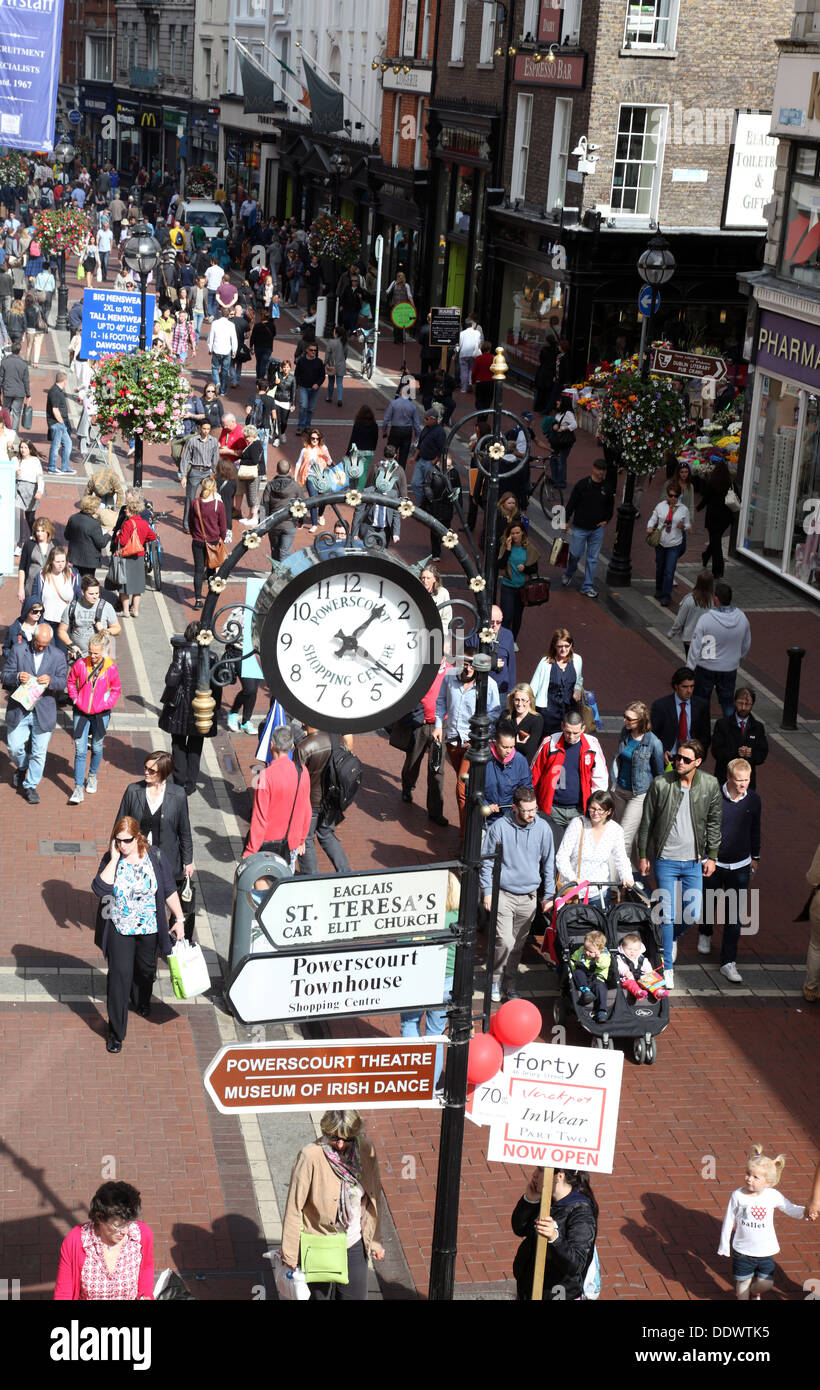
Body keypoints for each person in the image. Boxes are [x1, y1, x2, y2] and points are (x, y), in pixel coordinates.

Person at [91, 817, 185, 1053]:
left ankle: (142, 998)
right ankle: (116, 1032)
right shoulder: (112, 859)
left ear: (137, 837)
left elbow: (168, 890)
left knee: (145, 970)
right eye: (118, 840)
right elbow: (99, 889)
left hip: (149, 928)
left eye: (127, 840)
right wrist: (113, 859)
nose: (122, 845)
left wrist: (180, 919)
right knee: (118, 979)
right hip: (119, 928)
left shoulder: (154, 857)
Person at [637, 737, 722, 988]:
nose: (679, 762)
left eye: (685, 759)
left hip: (694, 860)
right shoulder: (661, 783)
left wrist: (713, 856)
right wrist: (643, 854)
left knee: (692, 912)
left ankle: (667, 939)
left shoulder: (710, 784)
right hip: (666, 859)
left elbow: (715, 822)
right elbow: (647, 822)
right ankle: (667, 968)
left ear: (697, 762)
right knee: (667, 914)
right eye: (676, 757)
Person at [281, 1110, 385, 1299]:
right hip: (319, 1243)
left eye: (347, 1139)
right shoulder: (310, 1156)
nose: (340, 1144)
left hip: (353, 1244)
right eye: (334, 1138)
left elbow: (373, 1197)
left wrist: (375, 1241)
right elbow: (295, 1206)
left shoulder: (366, 1151)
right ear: (325, 1131)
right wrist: (290, 1254)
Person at [480, 785, 555, 1001]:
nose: (532, 814)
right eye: (527, 810)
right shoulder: (500, 828)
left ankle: (509, 984)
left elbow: (549, 863)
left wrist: (548, 894)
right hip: (504, 893)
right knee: (504, 940)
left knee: (518, 945)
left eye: (535, 809)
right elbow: (486, 862)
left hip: (530, 896)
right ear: (515, 808)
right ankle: (495, 980)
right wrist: (487, 891)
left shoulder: (543, 828)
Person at [695, 757, 761, 982]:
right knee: (709, 902)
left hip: (740, 865)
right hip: (715, 863)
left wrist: (756, 856)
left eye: (747, 779)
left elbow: (756, 829)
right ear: (729, 778)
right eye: (740, 780)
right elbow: (702, 827)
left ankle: (728, 961)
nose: (744, 784)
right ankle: (705, 931)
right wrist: (705, 857)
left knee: (734, 916)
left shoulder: (754, 800)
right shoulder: (714, 797)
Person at [718, 1147, 804, 1300]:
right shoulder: (738, 1195)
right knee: (742, 1284)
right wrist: (724, 1244)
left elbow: (790, 1208)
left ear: (768, 1182)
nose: (749, 1179)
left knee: (766, 1284)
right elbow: (729, 1219)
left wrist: (807, 1212)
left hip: (765, 1251)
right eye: (747, 1174)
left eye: (755, 1177)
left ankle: (754, 1290)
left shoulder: (772, 1196)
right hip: (743, 1250)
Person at [434, 648, 501, 834]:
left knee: (461, 789)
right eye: (465, 663)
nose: (468, 667)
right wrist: (439, 725)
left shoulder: (489, 684)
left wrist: (479, 734)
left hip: (473, 744)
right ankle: (474, 825)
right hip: (453, 742)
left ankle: (465, 838)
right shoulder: (450, 676)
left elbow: (494, 712)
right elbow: (440, 702)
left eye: (471, 664)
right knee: (466, 786)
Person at [116, 751, 194, 909]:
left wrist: (188, 861)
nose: (146, 772)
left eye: (152, 771)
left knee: (163, 900)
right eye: (145, 768)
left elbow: (184, 830)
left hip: (165, 859)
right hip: (136, 856)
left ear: (164, 773)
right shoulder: (133, 791)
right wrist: (115, 854)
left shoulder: (178, 795)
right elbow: (119, 825)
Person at [54, 1182, 154, 1300]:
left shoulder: (142, 1234)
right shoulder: (75, 1240)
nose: (125, 1231)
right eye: (118, 1226)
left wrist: (146, 1295)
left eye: (129, 1223)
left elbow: (146, 1268)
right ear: (100, 1217)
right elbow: (64, 1293)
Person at [511, 1167, 598, 1302]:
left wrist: (555, 1238)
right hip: (529, 1288)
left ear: (560, 1175)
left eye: (541, 1170)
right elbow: (519, 1229)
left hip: (558, 1293)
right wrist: (530, 1201)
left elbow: (576, 1263)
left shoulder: (581, 1213)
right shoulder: (546, 1199)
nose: (534, 1175)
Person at [3, 621, 66, 802]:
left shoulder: (57, 655)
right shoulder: (18, 650)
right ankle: (22, 766)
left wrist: (51, 680)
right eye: (38, 643)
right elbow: (5, 674)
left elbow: (62, 681)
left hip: (43, 710)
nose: (40, 648)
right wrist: (16, 676)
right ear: (33, 638)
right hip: (20, 709)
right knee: (14, 748)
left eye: (44, 646)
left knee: (39, 752)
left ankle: (30, 786)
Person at [158, 621, 222, 795]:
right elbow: (217, 685)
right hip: (202, 706)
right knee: (196, 744)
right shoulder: (213, 656)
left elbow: (171, 680)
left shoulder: (181, 653)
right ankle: (191, 783)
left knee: (178, 743)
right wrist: (216, 706)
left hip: (180, 706)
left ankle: (179, 780)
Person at [530, 709, 608, 851]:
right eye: (567, 732)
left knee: (577, 853)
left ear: (583, 729)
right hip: (552, 810)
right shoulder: (549, 743)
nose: (571, 737)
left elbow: (600, 779)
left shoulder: (592, 745)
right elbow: (534, 775)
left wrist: (596, 806)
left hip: (579, 811)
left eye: (575, 733)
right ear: (562, 726)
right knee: (552, 852)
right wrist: (532, 803)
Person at [556, 789, 634, 910]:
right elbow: (562, 856)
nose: (595, 813)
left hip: (599, 891)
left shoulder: (615, 830)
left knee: (598, 927)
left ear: (609, 811)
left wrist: (627, 876)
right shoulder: (577, 824)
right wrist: (573, 878)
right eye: (592, 808)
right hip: (575, 891)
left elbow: (621, 858)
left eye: (600, 810)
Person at [66, 633, 121, 803]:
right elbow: (71, 681)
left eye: (96, 653)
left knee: (97, 747)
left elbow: (116, 689)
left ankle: (92, 776)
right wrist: (75, 699)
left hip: (101, 714)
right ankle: (77, 789)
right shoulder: (81, 664)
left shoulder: (110, 667)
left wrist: (107, 703)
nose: (93, 656)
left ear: (104, 651)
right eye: (91, 652)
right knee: (80, 751)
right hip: (81, 713)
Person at [244, 724, 312, 860]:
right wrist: (301, 839)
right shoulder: (303, 771)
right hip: (291, 843)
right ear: (292, 746)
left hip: (268, 844)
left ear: (272, 745)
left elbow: (259, 817)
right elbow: (306, 809)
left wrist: (250, 850)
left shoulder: (264, 776)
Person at [610, 701, 665, 862]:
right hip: (619, 790)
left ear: (641, 720)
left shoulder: (654, 742)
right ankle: (634, 869)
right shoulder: (625, 733)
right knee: (621, 832)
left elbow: (659, 773)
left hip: (639, 794)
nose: (625, 721)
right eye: (624, 717)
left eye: (629, 719)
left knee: (623, 837)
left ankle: (620, 881)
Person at [398, 658, 450, 826]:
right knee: (412, 761)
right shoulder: (422, 669)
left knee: (437, 770)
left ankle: (435, 811)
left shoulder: (451, 672)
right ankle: (407, 788)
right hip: (421, 725)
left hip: (440, 728)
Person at [296, 726, 353, 875]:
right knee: (326, 834)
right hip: (331, 800)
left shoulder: (304, 746)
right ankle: (345, 872)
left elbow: (296, 779)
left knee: (306, 840)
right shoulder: (338, 740)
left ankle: (311, 877)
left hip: (310, 802)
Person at [689, 582, 751, 718]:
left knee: (701, 702)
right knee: (728, 702)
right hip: (729, 668)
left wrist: (690, 668)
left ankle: (701, 732)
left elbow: (696, 646)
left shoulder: (706, 619)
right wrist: (737, 659)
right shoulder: (742, 618)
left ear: (716, 599)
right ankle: (730, 732)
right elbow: (746, 644)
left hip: (706, 667)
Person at [561, 459, 614, 599]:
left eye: (603, 470)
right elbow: (571, 503)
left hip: (597, 529)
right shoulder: (582, 485)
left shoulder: (607, 488)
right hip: (580, 527)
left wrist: (606, 520)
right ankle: (568, 572)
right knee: (576, 554)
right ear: (593, 468)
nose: (601, 472)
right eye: (599, 469)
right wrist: (565, 521)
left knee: (593, 558)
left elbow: (610, 507)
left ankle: (587, 586)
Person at [650, 666, 712, 765]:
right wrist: (661, 751)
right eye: (685, 687)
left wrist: (699, 755)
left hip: (691, 758)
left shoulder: (701, 706)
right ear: (676, 686)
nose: (689, 691)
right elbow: (653, 734)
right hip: (668, 757)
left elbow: (705, 735)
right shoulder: (660, 706)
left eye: (692, 686)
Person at [529, 628, 584, 737]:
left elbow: (579, 678)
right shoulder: (545, 663)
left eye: (567, 646)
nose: (564, 649)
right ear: (554, 646)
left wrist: (577, 689)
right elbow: (533, 687)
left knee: (569, 737)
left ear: (571, 645)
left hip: (570, 710)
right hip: (549, 711)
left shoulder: (577, 659)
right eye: (560, 646)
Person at [710, 687, 768, 788]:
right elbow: (716, 751)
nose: (743, 708)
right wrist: (736, 753)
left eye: (747, 704)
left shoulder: (758, 727)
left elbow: (762, 754)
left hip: (747, 783)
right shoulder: (722, 724)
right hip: (724, 779)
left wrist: (751, 754)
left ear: (752, 705)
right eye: (740, 703)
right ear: (734, 702)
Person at [113, 489, 157, 620]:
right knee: (137, 585)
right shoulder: (144, 523)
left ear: (131, 510)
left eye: (127, 509)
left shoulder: (127, 524)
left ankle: (126, 611)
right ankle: (135, 610)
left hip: (127, 556)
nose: (125, 511)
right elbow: (152, 536)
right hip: (139, 555)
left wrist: (117, 535)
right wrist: (142, 541)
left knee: (125, 585)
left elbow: (123, 541)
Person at [646, 480, 691, 607]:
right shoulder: (660, 506)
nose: (672, 498)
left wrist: (684, 527)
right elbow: (653, 518)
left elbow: (688, 524)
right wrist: (649, 527)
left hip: (674, 544)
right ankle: (659, 589)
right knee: (660, 567)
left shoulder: (684, 510)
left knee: (669, 570)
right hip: (661, 543)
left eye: (675, 496)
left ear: (679, 496)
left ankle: (666, 596)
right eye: (670, 495)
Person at [58, 575, 120, 661]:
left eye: (97, 593)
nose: (95, 596)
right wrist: (71, 646)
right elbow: (61, 630)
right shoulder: (73, 607)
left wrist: (104, 630)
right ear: (83, 592)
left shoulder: (106, 607)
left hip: (100, 658)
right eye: (91, 594)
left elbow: (117, 628)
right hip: (79, 657)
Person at [482, 719, 532, 822]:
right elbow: (471, 789)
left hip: (511, 818)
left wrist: (519, 806)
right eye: (505, 747)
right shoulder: (483, 759)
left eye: (512, 747)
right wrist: (486, 805)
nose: (509, 751)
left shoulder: (520, 761)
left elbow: (526, 788)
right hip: (486, 818)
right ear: (496, 743)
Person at [189, 474, 227, 609]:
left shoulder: (195, 503)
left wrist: (196, 534)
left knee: (198, 570)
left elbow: (190, 523)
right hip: (213, 541)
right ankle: (211, 595)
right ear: (214, 488)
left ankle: (198, 599)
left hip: (198, 540)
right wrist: (221, 538)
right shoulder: (219, 505)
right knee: (212, 568)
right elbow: (223, 526)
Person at [498, 521, 539, 640]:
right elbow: (500, 565)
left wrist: (525, 568)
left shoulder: (529, 548)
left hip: (523, 588)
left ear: (523, 533)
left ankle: (513, 640)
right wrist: (508, 550)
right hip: (508, 586)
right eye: (512, 533)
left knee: (517, 616)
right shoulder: (505, 547)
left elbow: (534, 569)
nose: (515, 535)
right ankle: (503, 640)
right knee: (507, 616)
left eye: (517, 533)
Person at [261, 458, 306, 563]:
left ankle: (275, 573)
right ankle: (281, 576)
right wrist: (301, 521)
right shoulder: (295, 486)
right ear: (290, 470)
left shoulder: (270, 485)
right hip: (289, 523)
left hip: (273, 523)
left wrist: (262, 527)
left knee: (275, 551)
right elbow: (303, 505)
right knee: (284, 553)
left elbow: (264, 505)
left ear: (277, 470)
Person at [179, 417, 220, 532]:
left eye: (208, 429)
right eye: (204, 428)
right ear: (200, 428)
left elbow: (216, 459)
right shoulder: (192, 440)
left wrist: (215, 474)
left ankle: (202, 524)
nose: (206, 431)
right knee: (190, 499)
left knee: (206, 499)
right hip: (195, 471)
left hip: (207, 472)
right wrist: (183, 476)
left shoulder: (214, 441)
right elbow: (185, 458)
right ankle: (187, 524)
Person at [697, 458, 734, 578]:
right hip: (725, 518)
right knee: (716, 540)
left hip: (713, 517)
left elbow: (705, 499)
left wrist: (697, 508)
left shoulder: (711, 484)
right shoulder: (730, 484)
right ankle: (707, 556)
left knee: (716, 542)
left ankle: (718, 569)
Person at [668, 569, 714, 659]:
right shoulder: (713, 602)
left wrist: (672, 632)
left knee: (691, 664)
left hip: (690, 638)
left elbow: (680, 620)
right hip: (707, 640)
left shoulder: (689, 600)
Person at [295, 427, 333, 532]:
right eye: (312, 438)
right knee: (313, 499)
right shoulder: (305, 450)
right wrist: (295, 477)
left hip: (322, 477)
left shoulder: (323, 448)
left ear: (320, 439)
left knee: (323, 499)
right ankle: (314, 523)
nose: (314, 440)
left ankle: (320, 515)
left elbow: (330, 462)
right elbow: (298, 463)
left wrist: (327, 456)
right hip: (310, 477)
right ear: (309, 439)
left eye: (317, 438)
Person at [63, 493, 109, 578]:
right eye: (98, 507)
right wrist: (108, 535)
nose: (100, 508)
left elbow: (67, 536)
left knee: (77, 580)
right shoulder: (94, 524)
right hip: (90, 561)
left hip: (76, 558)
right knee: (87, 583)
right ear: (93, 508)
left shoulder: (73, 518)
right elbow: (101, 543)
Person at [570, 929, 612, 1021]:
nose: (586, 952)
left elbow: (605, 965)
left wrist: (598, 959)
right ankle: (586, 992)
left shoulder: (604, 955)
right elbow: (573, 960)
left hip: (597, 979)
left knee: (601, 988)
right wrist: (572, 965)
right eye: (585, 948)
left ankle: (602, 1010)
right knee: (577, 972)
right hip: (583, 978)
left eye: (590, 951)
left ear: (600, 950)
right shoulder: (581, 951)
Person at [32, 546, 80, 624]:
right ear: (51, 561)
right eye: (57, 562)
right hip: (46, 620)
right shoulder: (41, 576)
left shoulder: (74, 575)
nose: (61, 564)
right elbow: (35, 598)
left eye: (63, 561)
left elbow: (79, 597)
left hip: (66, 622)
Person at [13, 438, 44, 556]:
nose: (23, 450)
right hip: (19, 489)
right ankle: (19, 544)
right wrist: (15, 473)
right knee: (19, 519)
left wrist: (40, 491)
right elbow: (12, 472)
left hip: (32, 491)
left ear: (30, 449)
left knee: (30, 518)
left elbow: (40, 477)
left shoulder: (35, 460)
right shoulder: (16, 459)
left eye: (25, 447)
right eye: (21, 447)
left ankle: (33, 539)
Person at [234, 424, 265, 527]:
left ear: (252, 435)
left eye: (247, 436)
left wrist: (241, 461)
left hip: (255, 473)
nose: (245, 438)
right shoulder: (252, 444)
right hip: (252, 473)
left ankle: (254, 517)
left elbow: (254, 460)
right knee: (250, 494)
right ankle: (250, 516)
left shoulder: (255, 445)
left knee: (253, 495)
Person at [17, 514, 54, 600]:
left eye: (42, 531)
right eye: (37, 531)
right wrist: (21, 588)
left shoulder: (55, 545)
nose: (39, 534)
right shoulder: (29, 545)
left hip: (51, 585)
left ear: (48, 531)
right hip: (32, 586)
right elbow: (22, 567)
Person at [45, 369, 75, 473]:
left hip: (60, 423)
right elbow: (55, 409)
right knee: (56, 445)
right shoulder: (55, 392)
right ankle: (52, 467)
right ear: (64, 380)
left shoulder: (57, 391)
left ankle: (65, 467)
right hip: (57, 423)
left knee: (68, 443)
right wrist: (62, 423)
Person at [382, 387, 419, 470]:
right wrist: (417, 437)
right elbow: (416, 424)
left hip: (395, 430)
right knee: (404, 455)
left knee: (391, 452)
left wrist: (384, 432)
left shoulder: (393, 403)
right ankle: (400, 473)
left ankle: (391, 470)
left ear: (401, 393)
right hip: (407, 431)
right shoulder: (412, 406)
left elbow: (386, 419)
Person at [505, 683, 543, 764]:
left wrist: (510, 744)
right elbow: (499, 743)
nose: (519, 704)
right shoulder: (506, 716)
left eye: (523, 700)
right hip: (504, 762)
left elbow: (529, 749)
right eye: (517, 699)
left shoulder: (537, 720)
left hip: (523, 764)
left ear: (530, 701)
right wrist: (519, 744)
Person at [294, 341, 326, 435]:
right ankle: (300, 426)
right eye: (311, 350)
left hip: (314, 389)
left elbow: (322, 376)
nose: (313, 352)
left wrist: (318, 384)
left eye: (315, 350)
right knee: (303, 406)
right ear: (307, 350)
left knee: (311, 408)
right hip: (303, 387)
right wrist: (298, 384)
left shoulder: (319, 362)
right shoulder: (302, 361)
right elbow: (297, 374)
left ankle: (307, 426)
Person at [0, 340, 31, 433]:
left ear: (11, 350)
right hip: (19, 392)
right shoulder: (23, 364)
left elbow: (1, 378)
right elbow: (26, 380)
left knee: (6, 411)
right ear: (19, 351)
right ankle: (13, 433)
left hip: (7, 391)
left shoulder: (5, 362)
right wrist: (28, 394)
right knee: (17, 414)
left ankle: (5, 430)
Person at [547, 393, 577, 488]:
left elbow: (574, 425)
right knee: (553, 459)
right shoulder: (559, 412)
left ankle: (561, 482)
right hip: (557, 441)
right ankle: (555, 479)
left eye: (559, 401)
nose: (557, 402)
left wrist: (563, 428)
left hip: (564, 441)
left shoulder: (568, 413)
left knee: (561, 460)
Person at [3, 595, 44, 662]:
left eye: (41, 611)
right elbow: (6, 649)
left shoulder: (45, 628)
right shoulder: (14, 629)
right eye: (35, 611)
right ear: (27, 610)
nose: (38, 614)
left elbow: (52, 650)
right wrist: (14, 661)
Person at [207, 309, 238, 395]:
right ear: (228, 315)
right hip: (226, 350)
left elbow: (211, 337)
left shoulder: (215, 323)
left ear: (220, 314)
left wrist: (210, 348)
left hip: (217, 349)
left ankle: (217, 382)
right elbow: (234, 339)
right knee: (225, 371)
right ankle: (223, 391)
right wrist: (234, 351)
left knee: (215, 368)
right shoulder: (231, 325)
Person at [487, 604, 516, 695]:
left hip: (501, 690)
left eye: (498, 622)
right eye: (492, 622)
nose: (495, 625)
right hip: (480, 688)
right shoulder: (474, 634)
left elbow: (511, 665)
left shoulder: (508, 635)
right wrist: (491, 663)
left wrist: (511, 691)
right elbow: (463, 661)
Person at [269, 358, 295, 444]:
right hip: (276, 400)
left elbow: (293, 392)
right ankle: (276, 437)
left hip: (286, 402)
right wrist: (275, 382)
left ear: (290, 368)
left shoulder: (292, 378)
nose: (286, 369)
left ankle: (283, 433)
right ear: (281, 368)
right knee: (276, 419)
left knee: (284, 422)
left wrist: (293, 403)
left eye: (287, 367)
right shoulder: (277, 375)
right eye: (284, 367)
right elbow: (270, 386)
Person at [457, 317, 482, 392]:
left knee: (464, 371)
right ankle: (470, 382)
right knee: (471, 369)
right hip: (473, 354)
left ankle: (464, 388)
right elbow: (479, 343)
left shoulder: (462, 333)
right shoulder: (477, 333)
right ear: (472, 325)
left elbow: (459, 345)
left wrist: (456, 352)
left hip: (463, 354)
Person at [325, 325, 348, 406]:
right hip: (341, 365)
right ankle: (339, 399)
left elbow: (327, 354)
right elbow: (346, 354)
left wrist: (326, 363)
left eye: (334, 331)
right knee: (340, 383)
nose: (333, 333)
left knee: (331, 382)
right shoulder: (344, 342)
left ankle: (330, 397)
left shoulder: (331, 342)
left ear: (336, 333)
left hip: (332, 365)